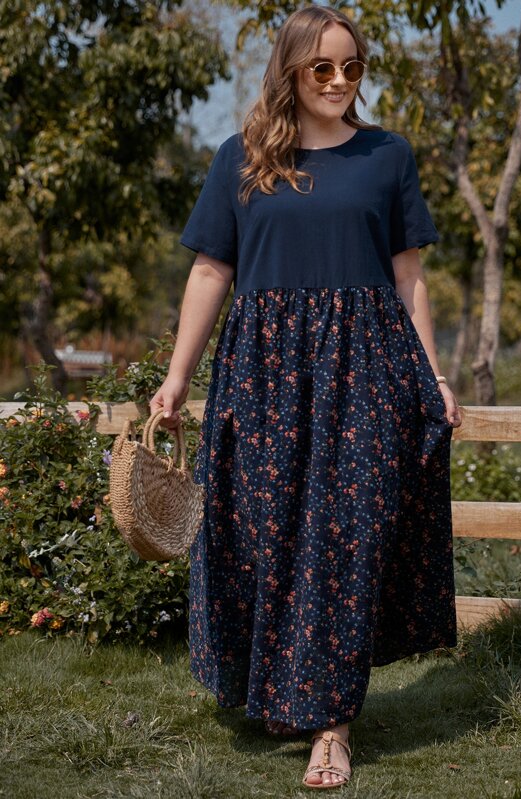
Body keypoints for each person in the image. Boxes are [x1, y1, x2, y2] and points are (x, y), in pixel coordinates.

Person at [149, 3, 462, 790]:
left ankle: (331, 727)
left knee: (346, 539)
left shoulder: (387, 155)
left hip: (365, 367)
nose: (338, 80)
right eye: (322, 66)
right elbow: (210, 271)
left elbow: (409, 278)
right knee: (263, 534)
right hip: (263, 372)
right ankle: (282, 688)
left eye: (353, 67)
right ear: (290, 70)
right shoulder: (241, 158)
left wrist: (434, 375)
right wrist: (177, 377)